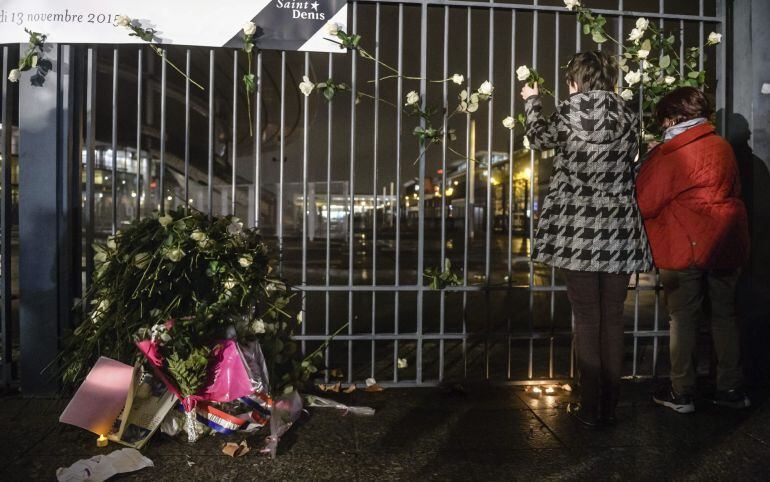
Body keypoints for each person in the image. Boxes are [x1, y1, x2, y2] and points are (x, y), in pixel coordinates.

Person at [521, 51, 652, 427]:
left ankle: (590, 407)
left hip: (575, 231)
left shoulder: (566, 112)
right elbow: (633, 162)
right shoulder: (629, 115)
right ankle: (609, 407)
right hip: (618, 229)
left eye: (569, 81)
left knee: (587, 318)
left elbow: (537, 138)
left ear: (576, 81)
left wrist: (532, 101)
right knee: (612, 318)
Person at [636, 87, 750, 413]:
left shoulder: (672, 153)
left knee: (682, 318)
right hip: (726, 244)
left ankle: (682, 391)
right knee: (725, 317)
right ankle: (730, 388)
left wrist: (652, 155)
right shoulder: (722, 146)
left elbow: (645, 201)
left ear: (673, 117)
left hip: (685, 243)